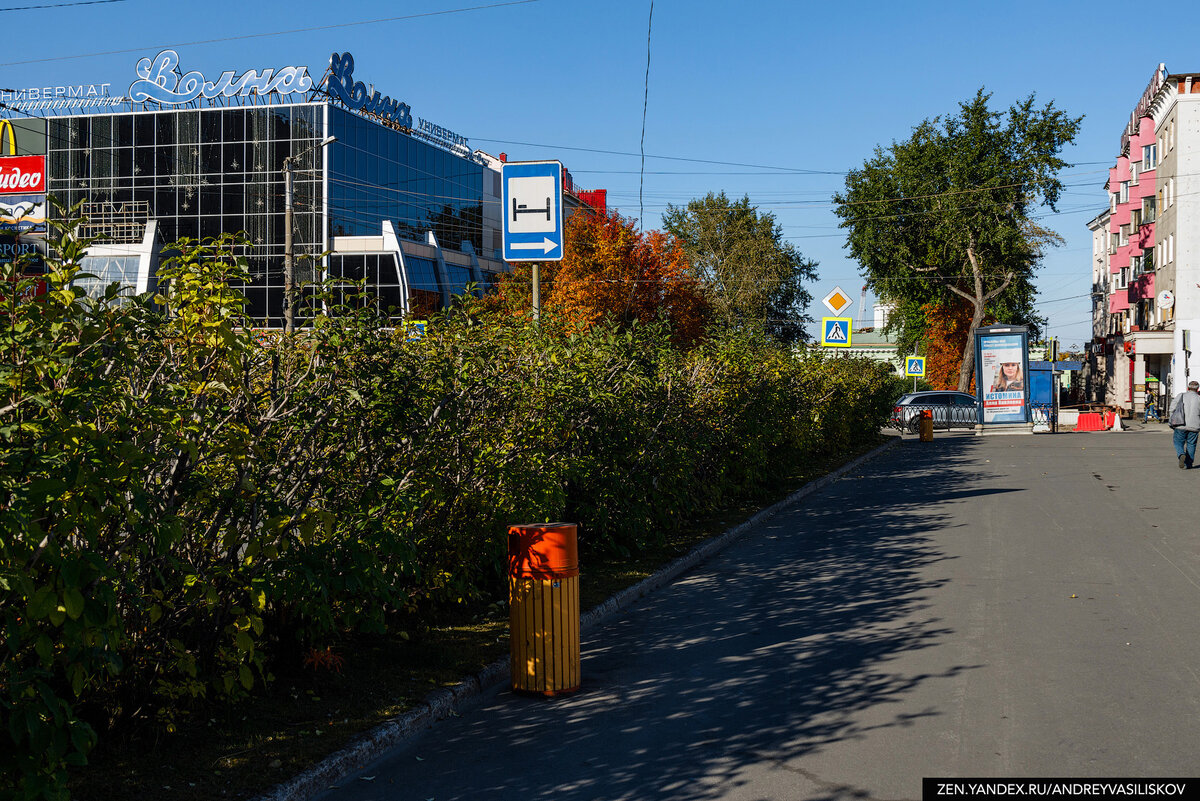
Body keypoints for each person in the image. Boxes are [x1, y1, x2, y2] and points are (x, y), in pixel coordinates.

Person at [1171, 380, 1200, 468]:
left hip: (1180, 424)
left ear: (1188, 388)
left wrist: (1171, 421)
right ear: (1197, 389)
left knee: (1178, 442)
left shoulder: (1181, 396)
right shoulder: (1199, 398)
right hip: (1195, 425)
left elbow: (1172, 408)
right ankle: (1189, 463)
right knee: (1191, 444)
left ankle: (1181, 454)